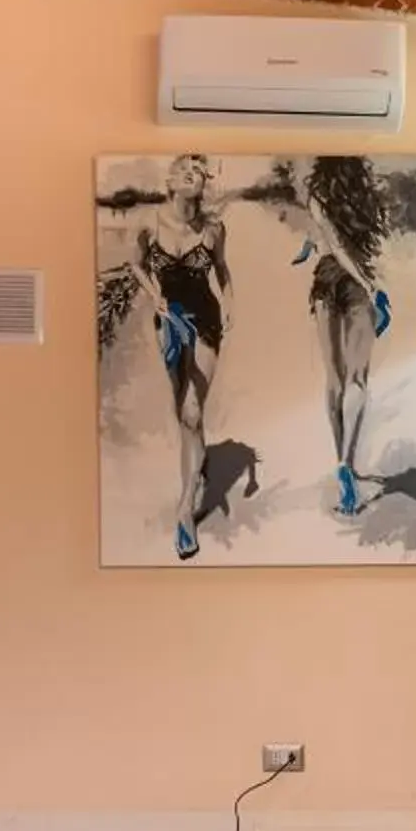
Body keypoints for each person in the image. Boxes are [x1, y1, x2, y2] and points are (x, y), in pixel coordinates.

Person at [120, 153, 230, 559]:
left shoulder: (214, 229)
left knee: (192, 411)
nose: (191, 173)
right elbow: (135, 266)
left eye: (199, 171)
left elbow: (222, 269)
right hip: (168, 322)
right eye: (184, 169)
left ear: (204, 184)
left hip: (205, 321)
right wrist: (156, 298)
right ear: (170, 180)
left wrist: (231, 303)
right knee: (180, 409)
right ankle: (197, 460)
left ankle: (185, 511)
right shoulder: (149, 224)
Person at [273, 156, 392, 516]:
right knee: (358, 378)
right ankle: (346, 463)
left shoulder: (316, 198)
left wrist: (309, 249)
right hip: (356, 286)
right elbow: (345, 246)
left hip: (325, 283)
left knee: (335, 379)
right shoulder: (366, 202)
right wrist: (371, 287)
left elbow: (328, 242)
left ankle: (344, 466)